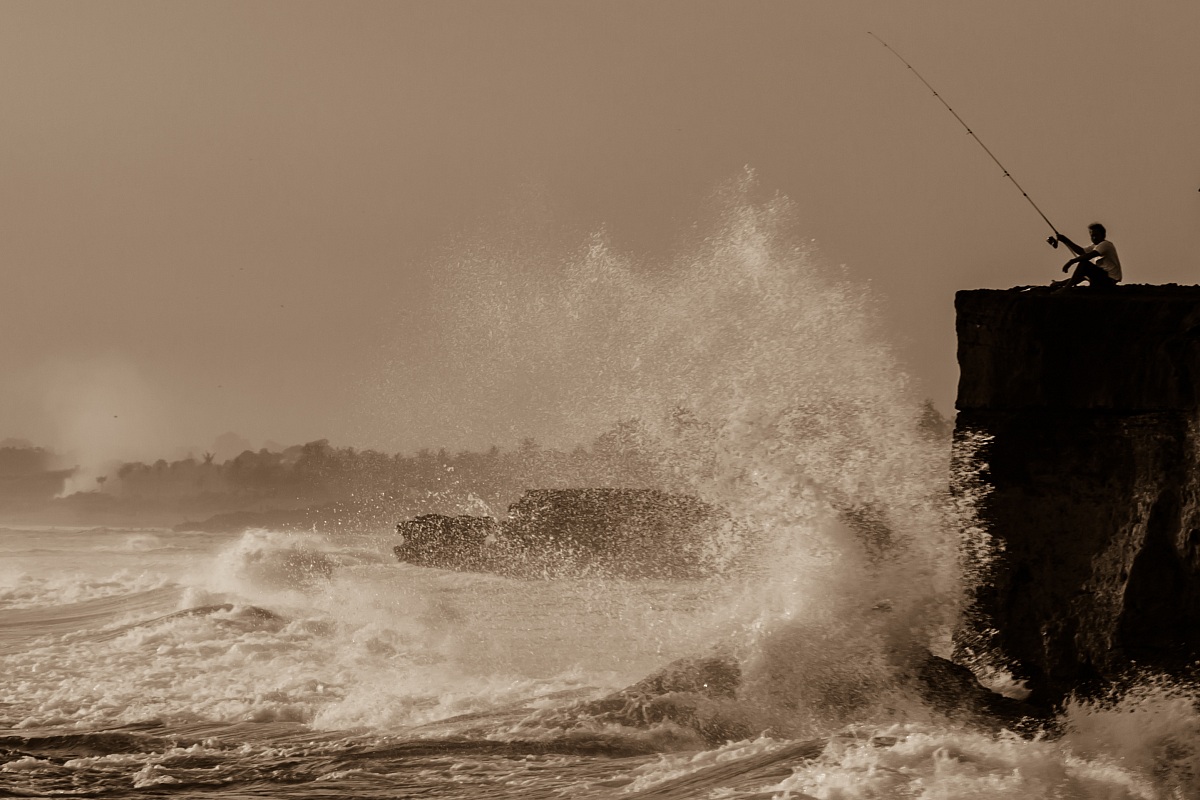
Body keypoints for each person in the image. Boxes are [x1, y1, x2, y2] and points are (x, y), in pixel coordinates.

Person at [1050, 223, 1122, 289]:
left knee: (1084, 264)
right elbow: (1081, 251)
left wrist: (1071, 262)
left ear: (1103, 235)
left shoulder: (1105, 244)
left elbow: (1088, 256)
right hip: (1102, 279)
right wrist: (1065, 240)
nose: (1094, 238)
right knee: (1083, 274)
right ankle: (1061, 284)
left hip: (1110, 280)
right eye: (1092, 236)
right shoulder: (1095, 246)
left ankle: (1065, 289)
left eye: (1096, 235)